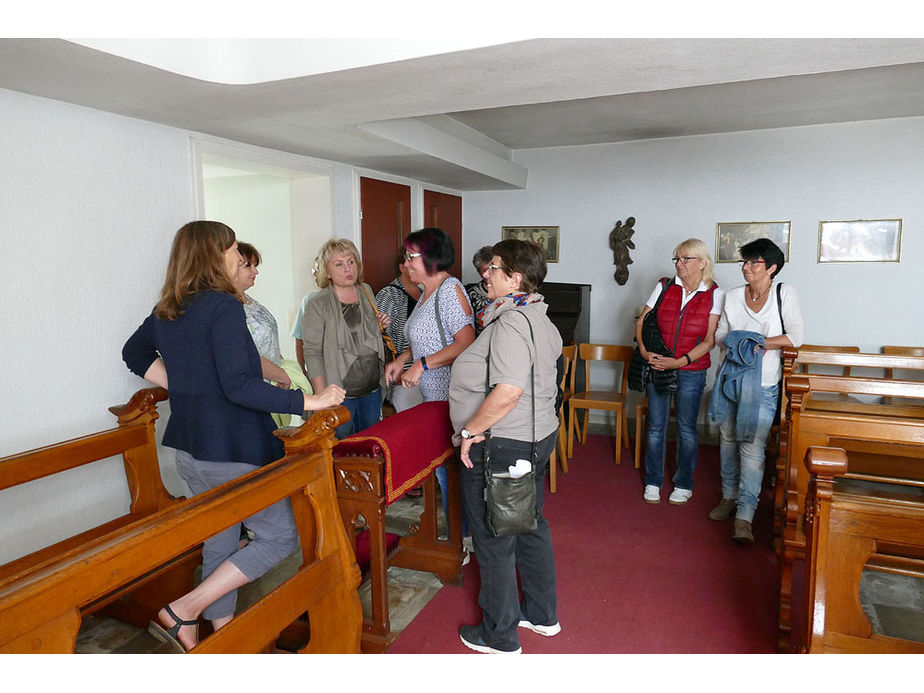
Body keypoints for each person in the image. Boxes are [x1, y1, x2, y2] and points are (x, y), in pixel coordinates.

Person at [122, 220, 345, 651]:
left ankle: (223, 641)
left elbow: (134, 353)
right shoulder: (222, 306)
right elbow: (239, 386)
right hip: (231, 449)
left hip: (190, 449)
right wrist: (311, 402)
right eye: (229, 247)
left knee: (220, 544)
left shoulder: (171, 306)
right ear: (214, 253)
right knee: (280, 536)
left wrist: (185, 387)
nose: (235, 254)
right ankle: (183, 610)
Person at [449, 239, 562, 654]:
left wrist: (470, 432)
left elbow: (509, 390)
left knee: (495, 534)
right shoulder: (539, 316)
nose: (485, 273)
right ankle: (541, 613)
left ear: (515, 277)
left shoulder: (512, 322)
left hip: (503, 443)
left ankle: (499, 635)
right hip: (534, 437)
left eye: (492, 268)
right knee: (529, 524)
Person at [708, 238, 804, 544]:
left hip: (762, 386)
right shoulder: (733, 296)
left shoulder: (783, 292)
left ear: (771, 267)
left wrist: (758, 342)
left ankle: (745, 514)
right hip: (729, 379)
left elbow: (795, 337)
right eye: (745, 262)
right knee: (727, 441)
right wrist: (735, 342)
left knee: (751, 447)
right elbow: (721, 333)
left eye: (754, 262)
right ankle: (728, 496)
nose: (746, 268)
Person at [384, 228, 475, 535]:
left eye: (411, 257)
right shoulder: (427, 291)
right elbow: (425, 338)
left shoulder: (450, 290)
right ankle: (455, 534)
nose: (406, 263)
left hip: (449, 396)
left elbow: (465, 342)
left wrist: (421, 365)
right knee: (441, 470)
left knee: (450, 471)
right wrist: (402, 359)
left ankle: (460, 538)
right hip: (430, 397)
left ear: (431, 259)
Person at [636, 238, 725, 505]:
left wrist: (681, 361)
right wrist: (643, 351)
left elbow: (710, 341)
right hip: (658, 365)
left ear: (702, 263)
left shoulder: (715, 293)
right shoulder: (664, 286)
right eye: (676, 258)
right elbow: (642, 321)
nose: (679, 264)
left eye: (685, 258)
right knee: (655, 427)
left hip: (692, 370)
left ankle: (683, 482)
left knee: (686, 428)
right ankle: (653, 481)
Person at [301, 238, 391, 439]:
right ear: (328, 271)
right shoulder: (317, 303)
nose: (347, 269)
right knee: (340, 449)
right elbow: (312, 353)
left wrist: (381, 323)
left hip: (371, 389)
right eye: (339, 264)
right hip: (338, 394)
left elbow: (367, 332)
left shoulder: (366, 290)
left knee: (369, 447)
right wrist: (321, 397)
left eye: (351, 262)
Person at [235, 242, 313, 426]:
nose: (255, 272)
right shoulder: (227, 308)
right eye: (249, 266)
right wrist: (280, 375)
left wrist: (283, 372)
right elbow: (246, 354)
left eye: (255, 266)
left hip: (272, 381)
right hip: (253, 388)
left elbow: (269, 342)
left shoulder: (249, 301)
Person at [375, 250, 423, 412]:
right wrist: (394, 366)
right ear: (403, 267)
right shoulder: (389, 295)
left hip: (422, 372)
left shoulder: (423, 293)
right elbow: (379, 336)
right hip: (402, 376)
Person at [464, 245, 494, 335]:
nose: (490, 274)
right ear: (480, 273)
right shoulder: (471, 295)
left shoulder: (510, 291)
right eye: (485, 270)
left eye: (493, 269)